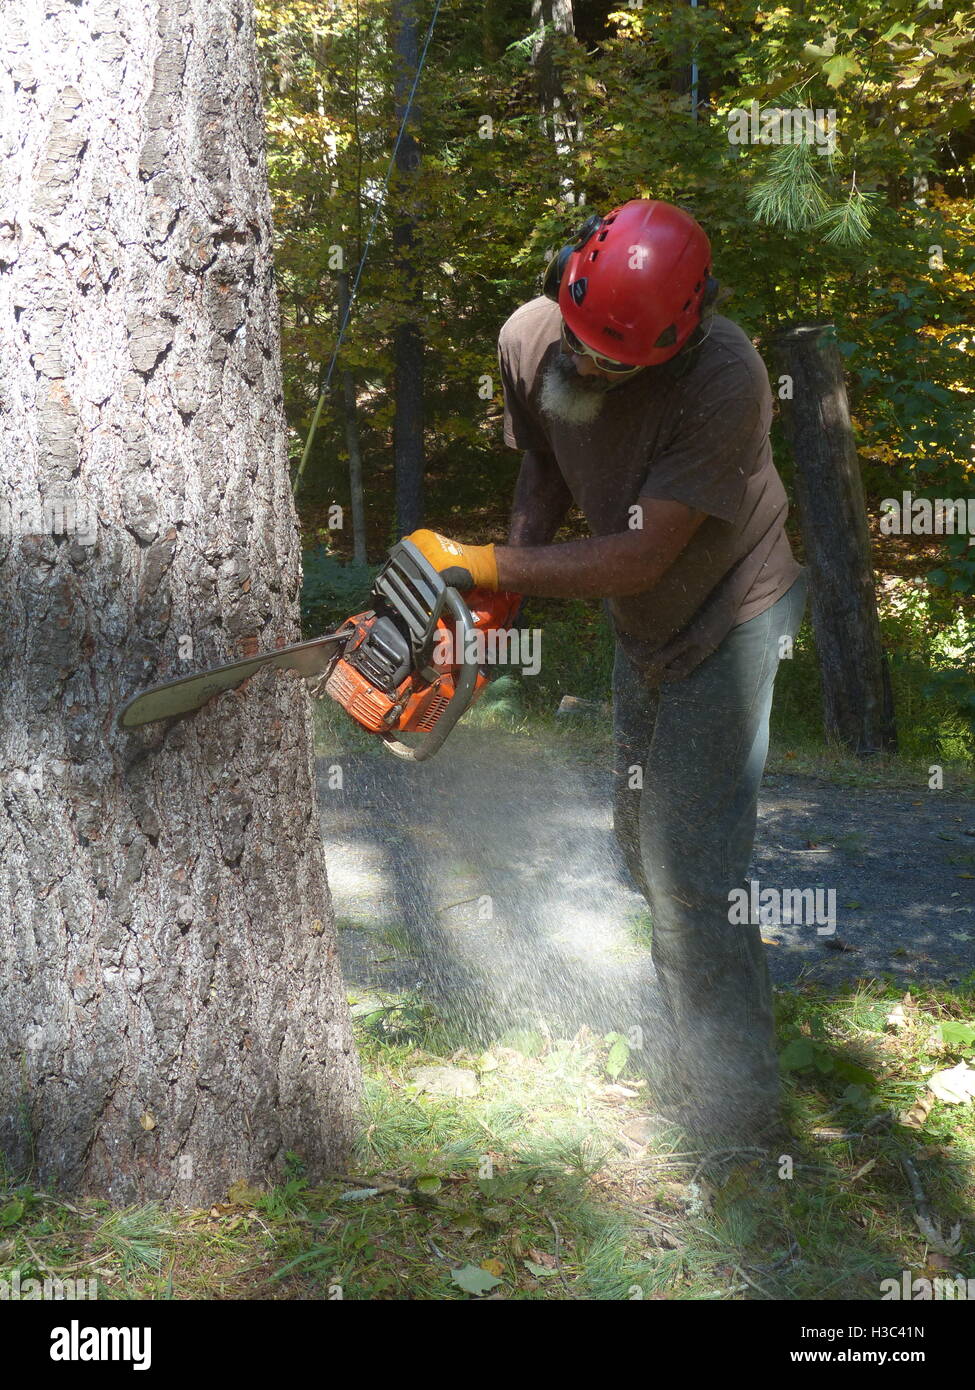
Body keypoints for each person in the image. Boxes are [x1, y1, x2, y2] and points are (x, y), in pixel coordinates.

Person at [404, 198, 807, 1141]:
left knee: (692, 869)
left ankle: (739, 1112)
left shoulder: (723, 377)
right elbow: (541, 468)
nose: (590, 366)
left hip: (730, 614)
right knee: (641, 841)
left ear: (685, 328)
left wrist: (484, 563)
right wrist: (494, 603)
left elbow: (637, 556)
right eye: (584, 344)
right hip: (643, 623)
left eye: (618, 360)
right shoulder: (532, 337)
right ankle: (683, 1040)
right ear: (562, 283)